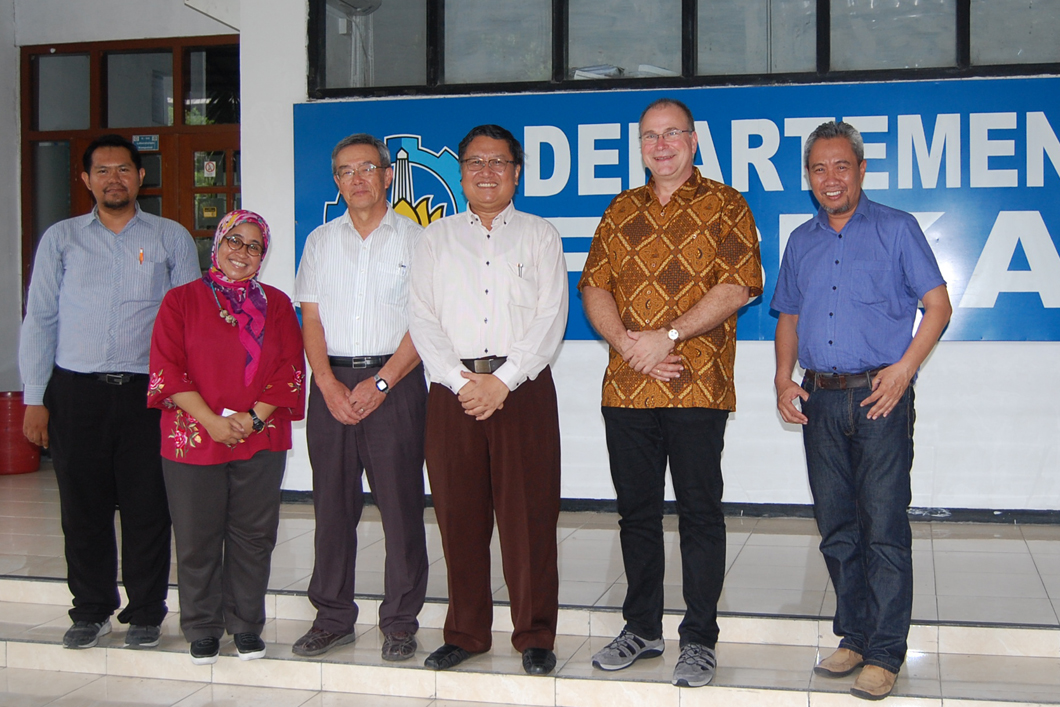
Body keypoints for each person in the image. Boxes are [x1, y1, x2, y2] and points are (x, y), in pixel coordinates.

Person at [579, 98, 763, 688]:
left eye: (672, 134)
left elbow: (739, 286)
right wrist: (631, 345)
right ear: (640, 146)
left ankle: (700, 639)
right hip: (626, 389)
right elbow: (594, 285)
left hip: (696, 388)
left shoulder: (726, 204)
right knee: (636, 515)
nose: (661, 145)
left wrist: (669, 335)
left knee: (700, 516)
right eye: (650, 136)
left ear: (693, 141)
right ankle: (642, 628)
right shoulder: (620, 208)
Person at [772, 121, 951, 701]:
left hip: (880, 398)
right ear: (808, 177)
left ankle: (885, 652)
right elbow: (790, 316)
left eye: (841, 166)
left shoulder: (897, 229)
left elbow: (938, 306)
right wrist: (782, 377)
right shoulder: (801, 240)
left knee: (884, 529)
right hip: (820, 398)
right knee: (837, 529)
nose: (830, 179)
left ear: (861, 170)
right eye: (819, 169)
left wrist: (904, 370)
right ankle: (853, 634)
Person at [19, 134, 199, 649]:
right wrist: (36, 398)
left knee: (148, 506)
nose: (113, 179)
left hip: (149, 394)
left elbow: (190, 325)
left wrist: (189, 399)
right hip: (76, 394)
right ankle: (91, 609)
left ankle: (145, 612)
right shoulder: (61, 239)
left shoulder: (171, 238)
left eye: (124, 169)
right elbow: (41, 320)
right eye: (102, 171)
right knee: (83, 508)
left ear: (141, 177)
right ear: (86, 180)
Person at [408, 124, 568, 676]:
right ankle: (467, 632)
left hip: (521, 391)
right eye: (475, 162)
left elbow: (552, 316)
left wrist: (504, 380)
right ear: (461, 173)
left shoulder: (540, 235)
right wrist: (459, 381)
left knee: (530, 518)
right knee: (459, 515)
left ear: (516, 172)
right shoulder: (433, 239)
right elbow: (422, 318)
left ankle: (535, 636)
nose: (486, 172)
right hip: (452, 394)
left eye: (497, 162)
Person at [292, 134, 429, 662]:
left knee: (400, 507)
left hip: (394, 385)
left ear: (387, 175)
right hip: (330, 386)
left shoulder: (419, 241)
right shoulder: (320, 241)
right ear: (337, 181)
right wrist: (326, 384)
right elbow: (312, 319)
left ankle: (399, 621)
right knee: (331, 507)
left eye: (367, 169)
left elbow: (425, 324)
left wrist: (380, 384)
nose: (357, 179)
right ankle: (332, 617)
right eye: (345, 171)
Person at [148, 210, 305, 664]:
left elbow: (290, 369)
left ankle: (246, 626)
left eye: (254, 246)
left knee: (253, 536)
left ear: (263, 256)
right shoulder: (180, 301)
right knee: (197, 536)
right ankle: (201, 626)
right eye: (235, 240)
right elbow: (166, 369)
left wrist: (252, 419)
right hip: (193, 435)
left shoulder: (276, 304)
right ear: (217, 243)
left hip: (261, 435)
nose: (242, 252)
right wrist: (213, 422)